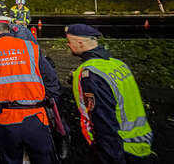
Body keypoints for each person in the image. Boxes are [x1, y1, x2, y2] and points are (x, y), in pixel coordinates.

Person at [0, 16, 60, 164]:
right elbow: (51, 79)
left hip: (6, 120)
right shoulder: (30, 47)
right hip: (36, 117)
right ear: (9, 29)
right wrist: (53, 106)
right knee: (44, 159)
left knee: (10, 159)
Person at [65, 24, 153, 164]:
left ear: (80, 43)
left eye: (69, 42)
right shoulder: (118, 65)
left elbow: (104, 121)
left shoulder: (90, 74)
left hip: (120, 150)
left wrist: (110, 157)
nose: (68, 45)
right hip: (141, 143)